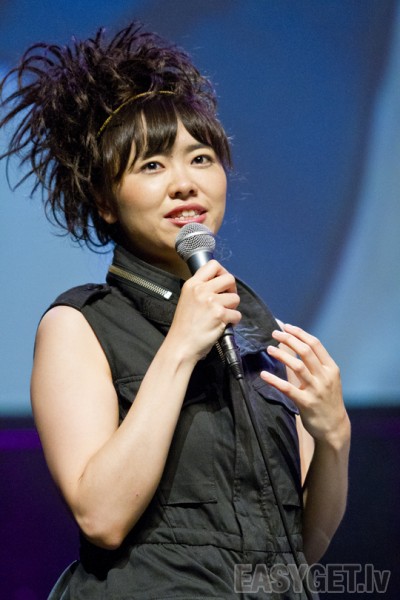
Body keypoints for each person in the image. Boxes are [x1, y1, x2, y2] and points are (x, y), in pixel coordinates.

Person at [0, 22, 350, 599]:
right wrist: (181, 347)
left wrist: (333, 435)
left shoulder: (254, 333)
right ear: (105, 200)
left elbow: (300, 551)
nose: (185, 184)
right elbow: (102, 517)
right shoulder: (80, 325)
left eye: (201, 158)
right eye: (152, 166)